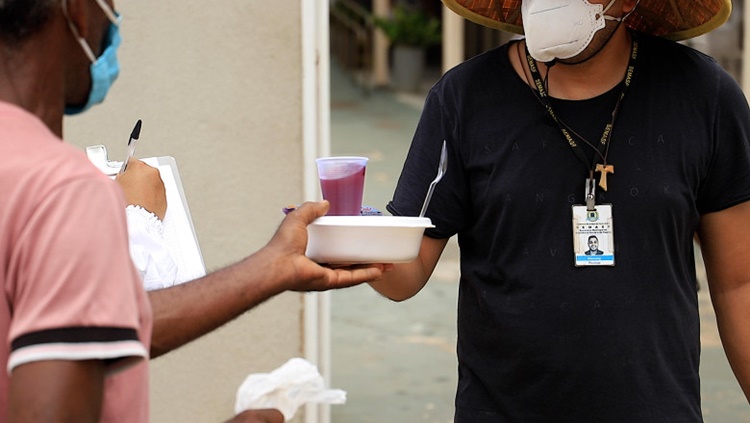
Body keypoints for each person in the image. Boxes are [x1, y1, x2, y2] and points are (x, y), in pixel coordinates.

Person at [0, 0, 390, 422]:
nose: (113, 24)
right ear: (77, 9)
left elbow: (83, 325)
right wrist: (138, 220)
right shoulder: (66, 191)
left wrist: (273, 267)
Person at [369, 0, 750, 421]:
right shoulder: (464, 98)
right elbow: (407, 271)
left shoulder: (702, 95)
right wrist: (355, 241)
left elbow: (740, 283)